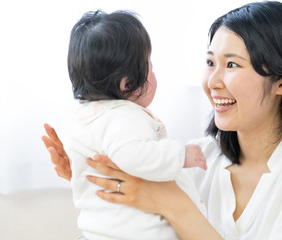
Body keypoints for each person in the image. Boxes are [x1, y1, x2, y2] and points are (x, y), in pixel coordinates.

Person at [43, 1, 282, 239]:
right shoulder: (199, 158)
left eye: (231, 64)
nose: (213, 81)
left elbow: (168, 205)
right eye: (209, 62)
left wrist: (174, 204)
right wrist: (99, 171)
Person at [51, 9, 208, 240]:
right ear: (127, 84)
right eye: (149, 66)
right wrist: (180, 155)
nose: (153, 72)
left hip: (97, 230)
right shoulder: (125, 116)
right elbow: (133, 155)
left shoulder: (77, 118)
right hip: (138, 232)